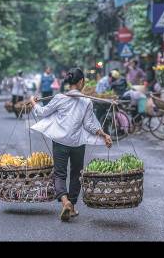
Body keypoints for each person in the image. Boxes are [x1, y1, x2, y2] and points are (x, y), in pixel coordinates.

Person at [29, 68, 113, 222]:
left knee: (60, 174)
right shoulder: (86, 101)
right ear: (81, 81)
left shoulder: (59, 98)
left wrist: (34, 102)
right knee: (76, 174)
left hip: (60, 142)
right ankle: (72, 206)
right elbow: (89, 125)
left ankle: (65, 202)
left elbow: (42, 112)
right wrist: (104, 134)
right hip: (77, 144)